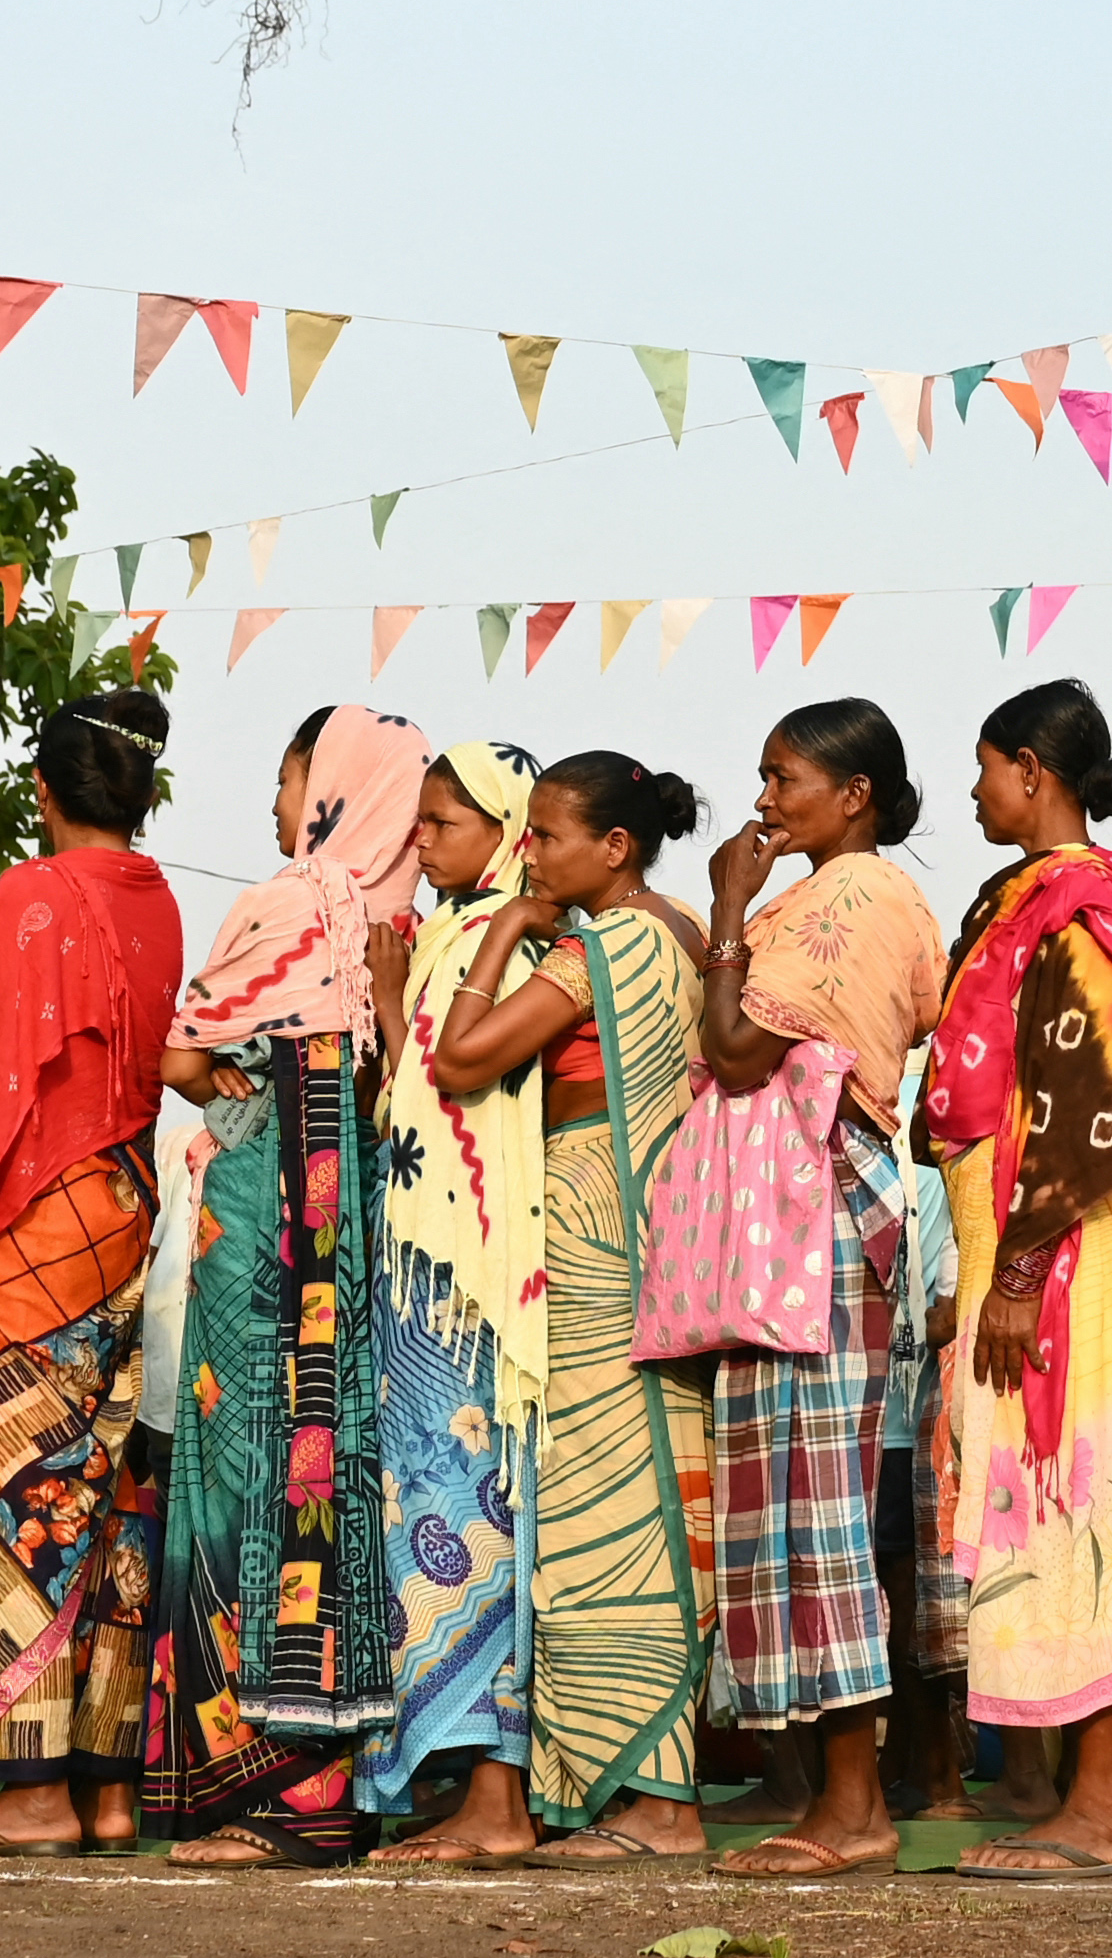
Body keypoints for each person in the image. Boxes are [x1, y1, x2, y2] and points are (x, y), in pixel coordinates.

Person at [0, 687, 180, 1851]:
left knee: (2, 1482)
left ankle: (26, 1787)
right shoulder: (159, 900)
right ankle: (106, 1784)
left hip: (32, 1217)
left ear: (42, 788)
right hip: (126, 1204)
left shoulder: (19, 902)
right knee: (101, 1495)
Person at [428, 747, 717, 1859]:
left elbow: (461, 1056)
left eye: (546, 837)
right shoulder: (675, 928)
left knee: (617, 1520)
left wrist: (500, 932)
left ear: (615, 847)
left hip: (604, 1236)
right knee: (625, 1510)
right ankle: (638, 1788)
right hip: (633, 1234)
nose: (530, 854)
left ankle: (661, 1799)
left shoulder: (622, 939)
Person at [145, 706, 419, 1866]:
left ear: (328, 789)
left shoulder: (282, 901)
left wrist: (242, 1101)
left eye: (286, 776)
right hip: (357, 1249)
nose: (273, 805)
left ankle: (258, 1796)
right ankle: (327, 1785)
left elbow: (177, 1058)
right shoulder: (417, 921)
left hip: (259, 1235)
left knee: (235, 1486)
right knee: (328, 1479)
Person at [698, 698, 951, 1881]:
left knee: (821, 1513)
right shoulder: (850, 895)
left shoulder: (847, 899)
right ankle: (832, 1792)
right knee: (793, 1509)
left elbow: (741, 1049)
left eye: (781, 773)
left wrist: (725, 912)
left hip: (813, 1214)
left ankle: (855, 1802)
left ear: (852, 793)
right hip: (788, 1221)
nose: (762, 798)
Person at [926, 679, 1112, 1880]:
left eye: (982, 768)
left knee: (1082, 1499)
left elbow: (1089, 1097)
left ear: (1030, 770)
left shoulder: (1074, 905)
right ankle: (1081, 1797)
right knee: (1042, 1501)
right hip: (1009, 1235)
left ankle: (1103, 1807)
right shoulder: (1035, 900)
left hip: (1052, 1245)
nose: (971, 790)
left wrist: (1022, 1266)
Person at [357, 738, 548, 1863]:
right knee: (428, 1504)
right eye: (419, 820)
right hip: (424, 1275)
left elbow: (453, 1081)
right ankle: (458, 1770)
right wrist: (395, 993)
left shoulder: (512, 936)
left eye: (444, 821)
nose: (420, 840)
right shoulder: (447, 937)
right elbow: (406, 1098)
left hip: (474, 1283)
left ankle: (498, 1788)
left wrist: (394, 997)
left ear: (507, 826)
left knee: (483, 1506)